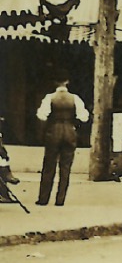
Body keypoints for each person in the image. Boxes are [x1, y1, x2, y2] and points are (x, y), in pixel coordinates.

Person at [36, 77, 89, 206]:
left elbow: (42, 115)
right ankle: (60, 199)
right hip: (70, 130)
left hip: (54, 131)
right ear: (67, 82)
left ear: (55, 82)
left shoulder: (50, 97)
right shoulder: (75, 98)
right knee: (65, 167)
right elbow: (84, 117)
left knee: (49, 166)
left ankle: (43, 199)